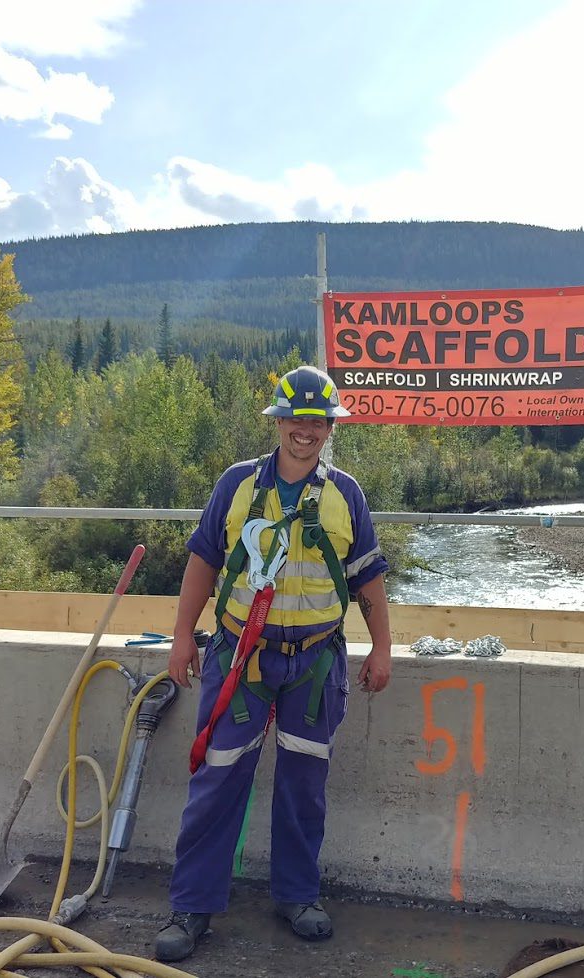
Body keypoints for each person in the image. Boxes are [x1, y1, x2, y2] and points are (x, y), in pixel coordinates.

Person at [155, 365, 392, 962]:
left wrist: (383, 646)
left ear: (328, 427)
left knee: (303, 785)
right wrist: (183, 636)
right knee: (218, 777)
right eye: (295, 420)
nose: (305, 431)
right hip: (241, 659)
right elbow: (203, 563)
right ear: (278, 422)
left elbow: (368, 578)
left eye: (317, 421)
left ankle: (297, 895)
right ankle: (193, 907)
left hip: (313, 666)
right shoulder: (237, 485)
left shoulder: (347, 495)